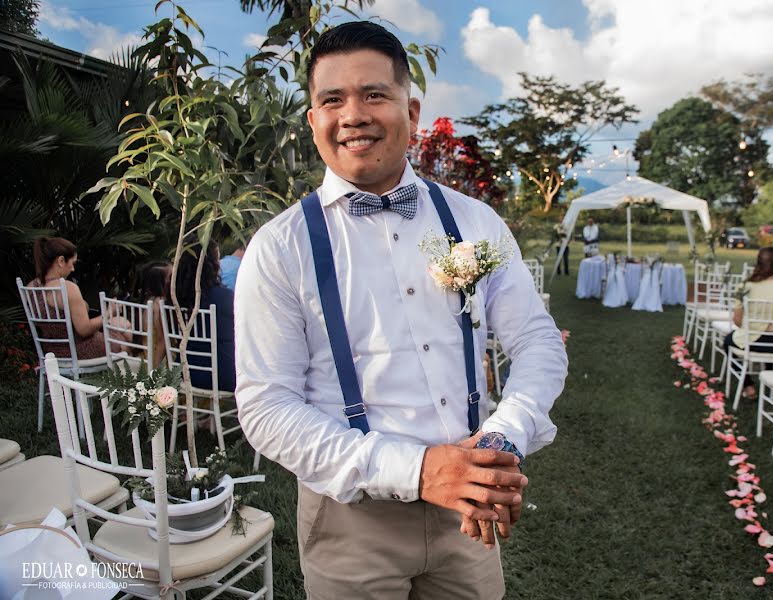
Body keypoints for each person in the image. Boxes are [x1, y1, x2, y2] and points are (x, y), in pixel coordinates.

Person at [235, 21, 566, 600]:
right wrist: (416, 470)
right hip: (350, 520)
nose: (353, 114)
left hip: (469, 514)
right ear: (312, 120)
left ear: (411, 111)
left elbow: (537, 340)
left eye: (374, 95)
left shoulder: (476, 222)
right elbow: (266, 404)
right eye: (331, 99)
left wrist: (502, 442)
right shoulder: (279, 246)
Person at [27, 237, 129, 359]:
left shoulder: (32, 286)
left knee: (120, 326)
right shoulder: (67, 288)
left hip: (52, 352)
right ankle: (123, 376)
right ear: (60, 261)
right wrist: (108, 313)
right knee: (124, 337)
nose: (73, 269)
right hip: (80, 349)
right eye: (72, 263)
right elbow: (84, 329)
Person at [721, 247, 773, 401]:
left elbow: (737, 320)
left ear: (757, 263)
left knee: (728, 342)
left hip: (752, 342)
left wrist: (752, 328)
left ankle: (748, 385)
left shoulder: (745, 286)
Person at [175, 239, 236, 393]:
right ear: (212, 265)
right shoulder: (224, 297)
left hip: (185, 371)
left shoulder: (175, 299)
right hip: (222, 376)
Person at [139, 261, 172, 368]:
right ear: (162, 283)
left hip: (146, 358)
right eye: (171, 276)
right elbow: (161, 340)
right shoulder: (159, 304)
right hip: (159, 362)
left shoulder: (148, 300)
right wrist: (155, 372)